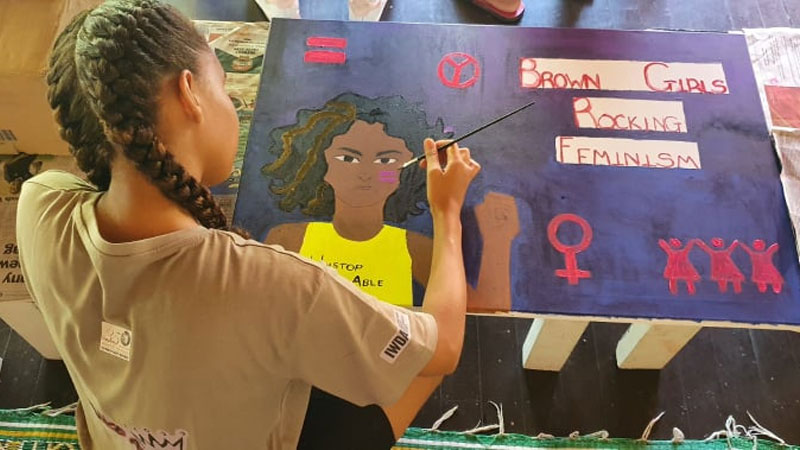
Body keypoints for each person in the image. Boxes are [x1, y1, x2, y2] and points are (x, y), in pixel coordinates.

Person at [18, 1, 480, 449]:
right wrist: (447, 213)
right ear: (188, 93)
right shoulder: (274, 283)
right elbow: (444, 347)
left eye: (384, 161)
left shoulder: (40, 202)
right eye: (224, 85)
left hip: (114, 433)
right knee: (418, 369)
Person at [263, 93, 520, 311]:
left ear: (403, 174)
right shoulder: (288, 239)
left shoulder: (415, 248)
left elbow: (484, 308)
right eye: (348, 159)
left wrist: (498, 238)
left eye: (385, 161)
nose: (365, 173)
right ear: (321, 165)